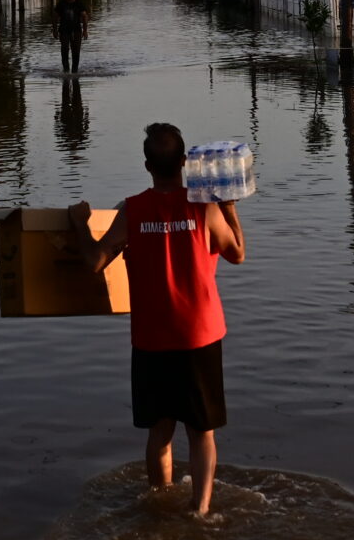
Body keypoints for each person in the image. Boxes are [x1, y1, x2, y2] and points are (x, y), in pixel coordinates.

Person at [73, 122, 245, 517]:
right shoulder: (205, 207)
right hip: (200, 335)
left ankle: (160, 501)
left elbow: (94, 262)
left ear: (147, 165)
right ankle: (201, 511)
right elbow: (237, 253)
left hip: (152, 338)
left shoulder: (132, 210)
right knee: (202, 432)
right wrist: (231, 208)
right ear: (184, 163)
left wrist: (79, 223)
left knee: (160, 431)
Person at [54, 0, 89, 72]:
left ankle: (74, 71)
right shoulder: (61, 4)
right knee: (64, 49)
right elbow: (55, 17)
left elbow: (84, 17)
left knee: (76, 51)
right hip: (64, 30)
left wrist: (85, 31)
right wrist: (54, 30)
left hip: (76, 30)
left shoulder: (79, 3)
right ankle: (66, 70)